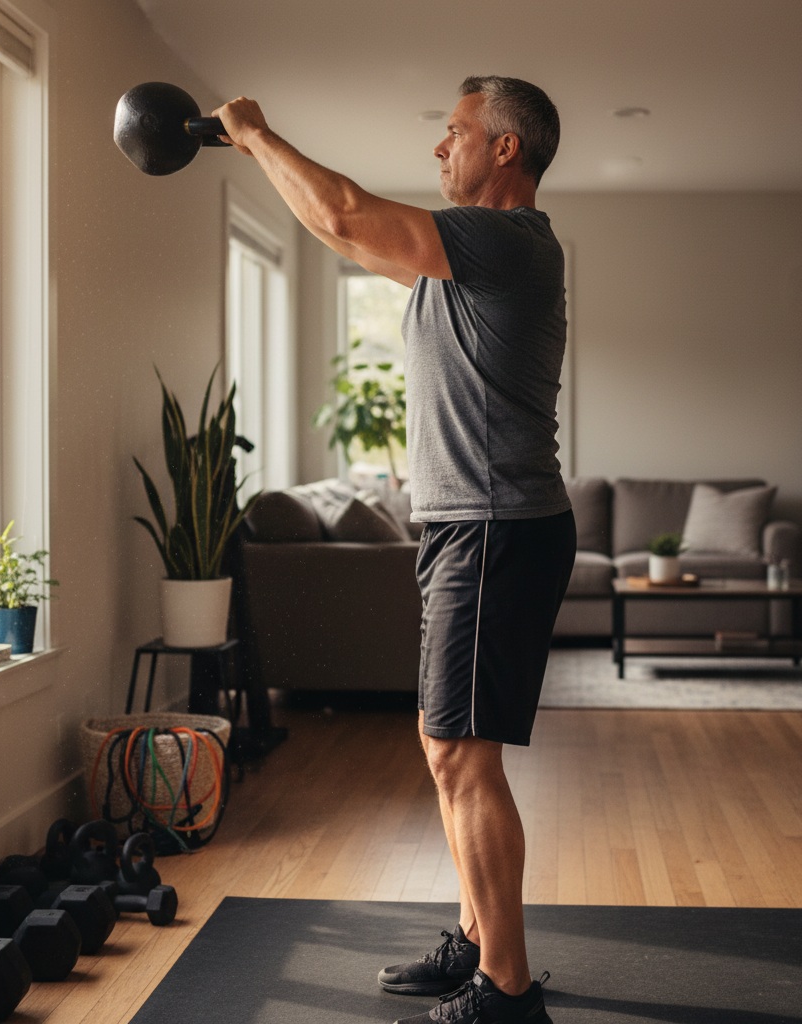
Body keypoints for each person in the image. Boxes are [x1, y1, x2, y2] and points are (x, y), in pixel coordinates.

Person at [214, 75, 576, 1024]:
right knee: (453, 747)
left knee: (458, 753)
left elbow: (342, 206)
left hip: (496, 525)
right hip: (473, 524)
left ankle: (507, 988)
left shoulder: (504, 241)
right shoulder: (455, 266)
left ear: (505, 149)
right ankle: (479, 941)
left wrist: (256, 134)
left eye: (455, 132)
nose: (438, 147)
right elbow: (336, 230)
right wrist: (258, 158)